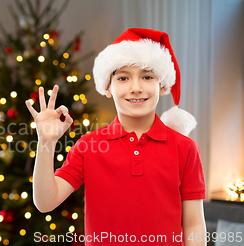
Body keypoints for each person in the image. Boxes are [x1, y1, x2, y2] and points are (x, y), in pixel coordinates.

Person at [26, 28, 206, 245]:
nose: (136, 88)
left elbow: (194, 223)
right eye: (123, 78)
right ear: (108, 87)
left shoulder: (185, 148)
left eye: (147, 76)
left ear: (161, 85)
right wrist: (46, 143)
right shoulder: (88, 146)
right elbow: (45, 202)